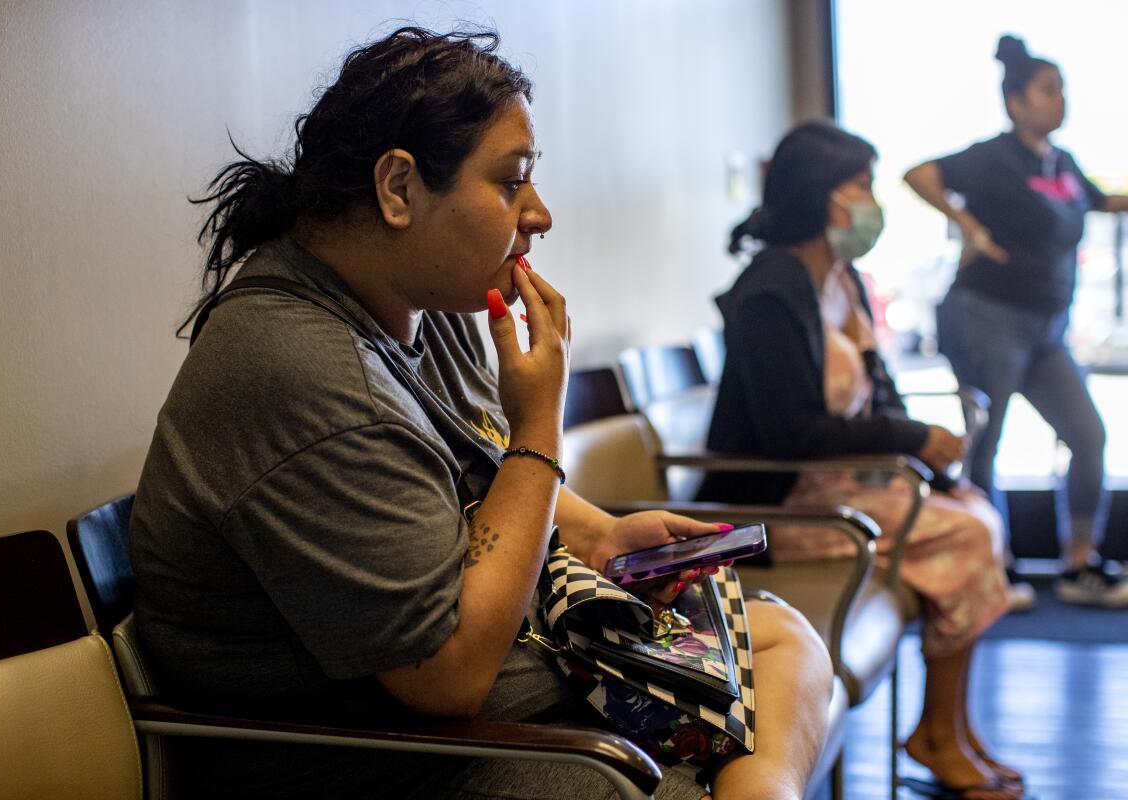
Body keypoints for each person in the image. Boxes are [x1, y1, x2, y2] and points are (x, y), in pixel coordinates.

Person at [129, 27, 833, 800]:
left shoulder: (422, 310)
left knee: (786, 640)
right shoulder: (304, 376)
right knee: (739, 705)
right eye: (511, 182)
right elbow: (450, 675)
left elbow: (482, 463)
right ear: (398, 189)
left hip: (498, 682)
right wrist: (541, 424)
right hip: (382, 754)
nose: (539, 215)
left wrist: (598, 532)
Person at [700, 121, 1020, 800]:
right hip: (771, 505)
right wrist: (910, 441)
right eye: (862, 186)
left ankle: (949, 728)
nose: (872, 203)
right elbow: (788, 433)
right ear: (822, 196)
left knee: (974, 512)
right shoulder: (769, 288)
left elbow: (880, 397)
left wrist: (936, 466)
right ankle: (936, 735)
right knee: (968, 535)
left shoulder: (839, 278)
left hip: (833, 492)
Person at [904, 34, 1128, 608]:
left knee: (1088, 435)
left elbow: (1102, 202)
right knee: (987, 442)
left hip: (1047, 327)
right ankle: (992, 570)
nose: (1060, 100)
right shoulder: (993, 157)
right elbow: (920, 174)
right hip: (987, 316)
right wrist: (969, 228)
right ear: (1016, 102)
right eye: (1048, 91)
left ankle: (1080, 565)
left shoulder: (1063, 162)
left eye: (1063, 90)